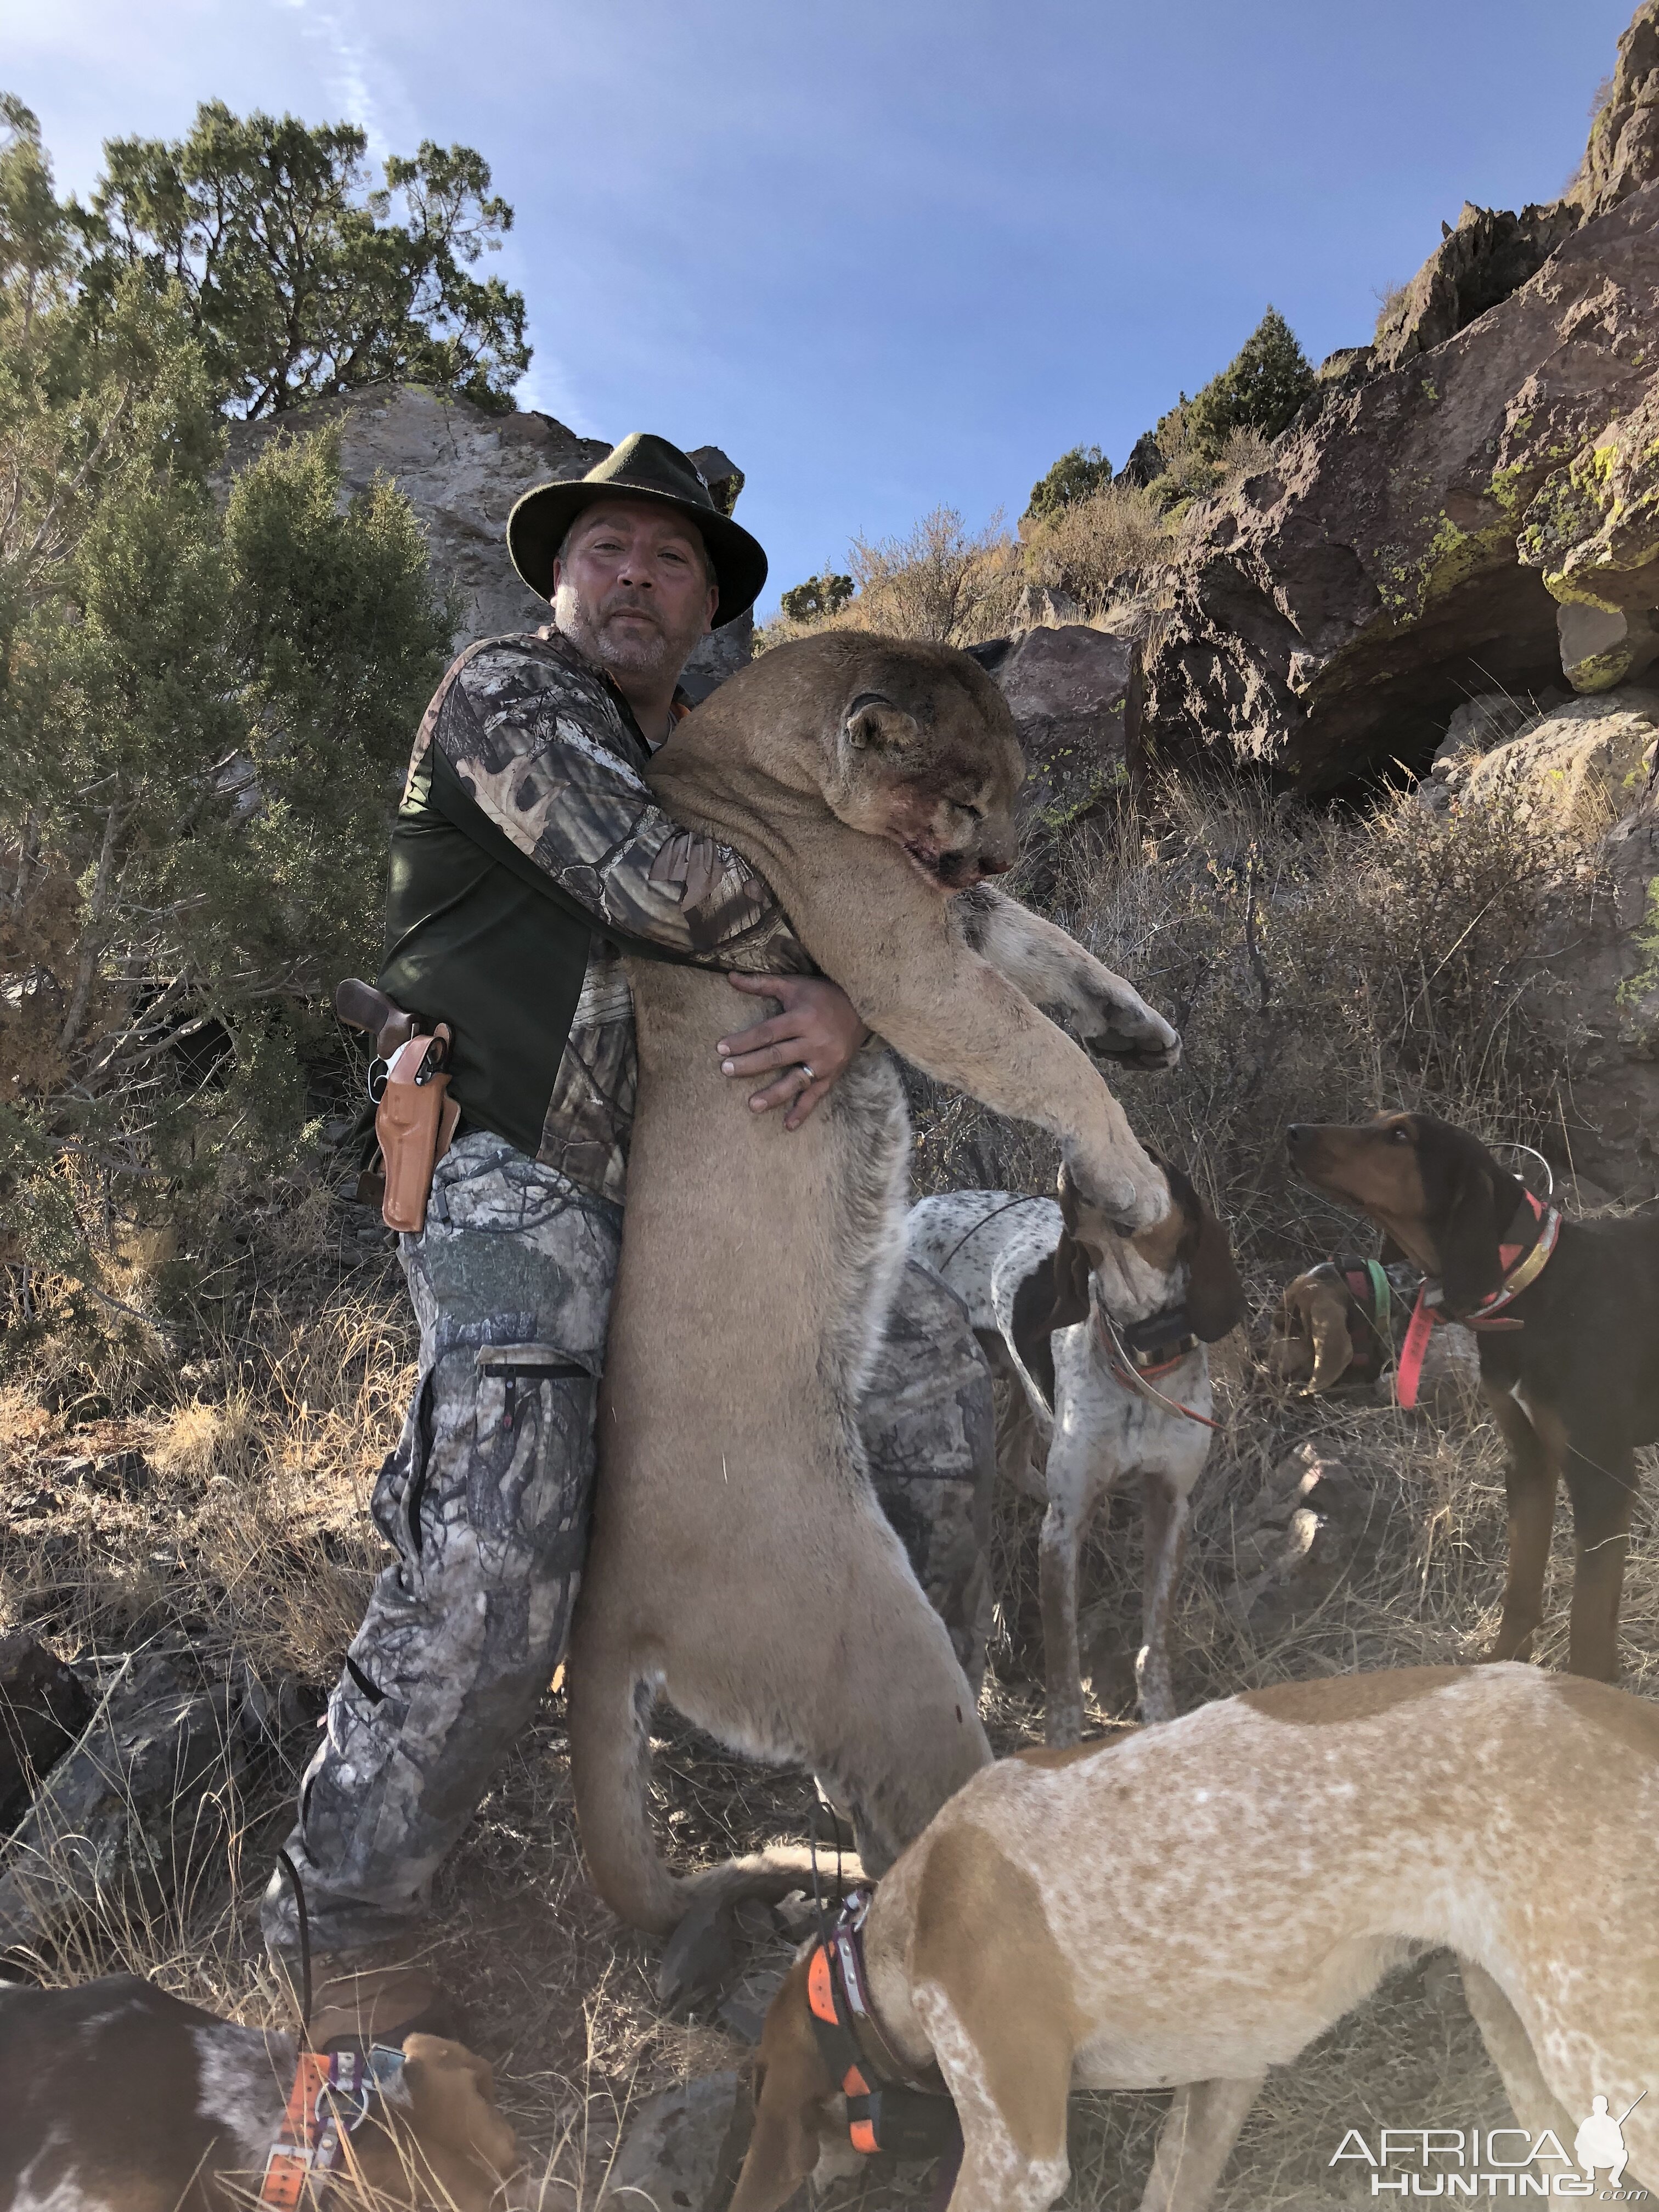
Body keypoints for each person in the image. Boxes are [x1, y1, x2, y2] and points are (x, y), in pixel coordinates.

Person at [259, 436, 997, 2012]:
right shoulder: (506, 702)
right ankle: (345, 1925)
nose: (637, 578)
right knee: (507, 1520)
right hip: (507, 1172)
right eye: (609, 549)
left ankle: (910, 1827)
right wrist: (884, 958)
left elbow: (910, 868)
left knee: (925, 1401)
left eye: (673, 560)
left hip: (702, 1210)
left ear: (710, 605)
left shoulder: (714, 759)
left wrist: (866, 994)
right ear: (557, 574)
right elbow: (663, 884)